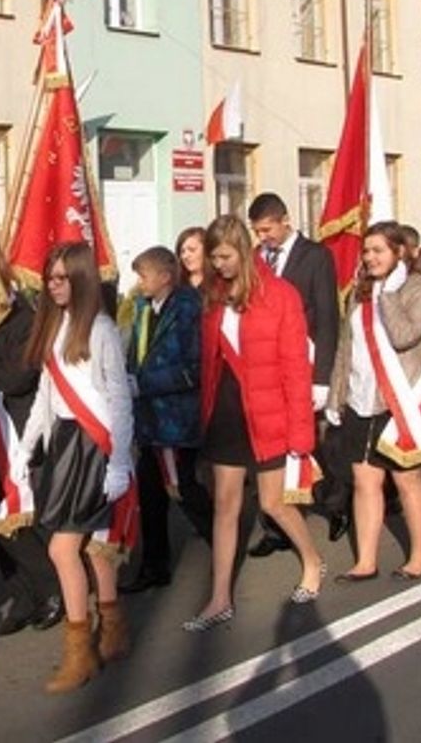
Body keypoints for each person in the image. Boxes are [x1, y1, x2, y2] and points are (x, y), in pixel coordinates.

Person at [184, 215, 322, 633]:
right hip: (226, 412)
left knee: (272, 503)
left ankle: (312, 561)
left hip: (268, 413)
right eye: (213, 258)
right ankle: (219, 598)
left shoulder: (280, 295)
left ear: (243, 252)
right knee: (225, 506)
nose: (219, 265)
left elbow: (295, 367)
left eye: (225, 257)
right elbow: (208, 363)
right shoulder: (212, 297)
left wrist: (302, 432)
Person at [14, 242, 135, 693]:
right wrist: (25, 449)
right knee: (90, 547)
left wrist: (119, 461)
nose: (53, 285)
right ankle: (113, 626)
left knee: (63, 549)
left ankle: (79, 651)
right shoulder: (54, 325)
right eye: (50, 278)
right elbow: (47, 396)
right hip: (65, 442)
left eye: (62, 278)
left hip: (95, 444)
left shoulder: (100, 329)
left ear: (82, 279)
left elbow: (120, 398)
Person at [328, 222, 421, 581]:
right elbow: (347, 347)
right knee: (364, 483)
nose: (370, 257)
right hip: (361, 398)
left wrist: (386, 294)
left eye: (378, 251)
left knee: (406, 481)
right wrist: (336, 395)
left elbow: (404, 336)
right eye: (366, 251)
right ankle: (366, 560)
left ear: (399, 252)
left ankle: (420, 555)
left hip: (398, 403)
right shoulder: (359, 293)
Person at [246, 192, 344, 553]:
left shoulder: (315, 256)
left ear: (285, 220)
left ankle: (336, 504)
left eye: (267, 229)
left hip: (308, 361)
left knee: (317, 444)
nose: (263, 238)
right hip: (272, 371)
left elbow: (328, 318)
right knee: (271, 448)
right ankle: (276, 527)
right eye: (257, 232)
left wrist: (322, 376)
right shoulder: (257, 259)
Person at [0, 290, 63, 636]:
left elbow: (16, 379)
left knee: (23, 520)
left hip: (20, 435)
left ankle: (52, 588)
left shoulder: (27, 321)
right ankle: (22, 596)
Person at [119, 246, 212, 594]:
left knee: (185, 490)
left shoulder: (188, 308)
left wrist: (142, 384)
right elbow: (134, 354)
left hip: (175, 419)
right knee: (151, 497)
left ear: (165, 277)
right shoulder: (143, 308)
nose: (139, 282)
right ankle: (154, 566)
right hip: (149, 421)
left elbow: (193, 369)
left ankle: (221, 542)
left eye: (144, 275)